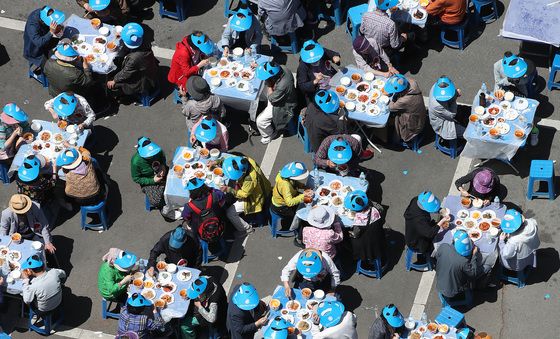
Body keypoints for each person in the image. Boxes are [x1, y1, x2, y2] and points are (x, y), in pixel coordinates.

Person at [220, 155, 272, 234]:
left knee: (230, 213)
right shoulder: (245, 160)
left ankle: (247, 229)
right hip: (261, 187)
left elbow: (244, 194)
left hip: (254, 198)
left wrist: (229, 189)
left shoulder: (249, 180)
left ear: (243, 172)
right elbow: (231, 160)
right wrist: (217, 162)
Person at [108, 23, 159, 102]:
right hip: (149, 68)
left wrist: (114, 80)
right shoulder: (143, 40)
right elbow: (134, 38)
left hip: (142, 81)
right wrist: (124, 36)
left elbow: (125, 73)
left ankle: (128, 97)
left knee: (111, 85)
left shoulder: (134, 59)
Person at [255, 61, 298, 144]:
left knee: (260, 121)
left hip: (283, 105)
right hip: (280, 95)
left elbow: (271, 98)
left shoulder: (283, 85)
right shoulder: (282, 68)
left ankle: (269, 135)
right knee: (260, 92)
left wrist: (269, 85)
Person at [131, 137, 172, 217]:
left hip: (161, 171)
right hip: (148, 181)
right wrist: (153, 180)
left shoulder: (158, 151)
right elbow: (136, 178)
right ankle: (163, 207)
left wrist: (163, 166)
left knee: (176, 180)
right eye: (148, 156)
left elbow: (163, 158)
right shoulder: (136, 162)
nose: (152, 157)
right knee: (155, 200)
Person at [435, 230, 481, 300]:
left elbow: (437, 256)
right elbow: (473, 273)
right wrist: (474, 255)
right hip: (454, 290)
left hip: (439, 281)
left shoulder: (444, 246)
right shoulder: (463, 262)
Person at [346, 191, 388, 268]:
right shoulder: (375, 209)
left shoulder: (359, 223)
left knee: (348, 239)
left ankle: (364, 260)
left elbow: (355, 234)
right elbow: (381, 209)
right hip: (379, 234)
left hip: (368, 244)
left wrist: (348, 233)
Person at [404, 191, 449, 258]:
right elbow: (430, 233)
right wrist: (442, 221)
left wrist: (440, 210)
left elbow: (430, 207)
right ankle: (432, 257)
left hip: (414, 230)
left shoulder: (417, 200)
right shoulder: (419, 219)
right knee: (436, 241)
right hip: (416, 242)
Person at [385, 74, 426, 143]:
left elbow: (391, 107)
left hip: (413, 124)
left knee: (396, 120)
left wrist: (391, 98)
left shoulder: (404, 100)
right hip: (420, 113)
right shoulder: (412, 82)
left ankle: (395, 141)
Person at [23, 6, 65, 71]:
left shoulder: (43, 12)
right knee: (51, 68)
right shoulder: (33, 26)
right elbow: (39, 43)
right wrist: (51, 32)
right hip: (35, 49)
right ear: (43, 21)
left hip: (45, 38)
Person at [429, 76, 465, 141]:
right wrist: (455, 96)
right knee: (466, 133)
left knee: (467, 110)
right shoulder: (437, 106)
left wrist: (454, 93)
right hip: (443, 124)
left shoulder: (436, 85)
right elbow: (452, 115)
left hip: (446, 111)